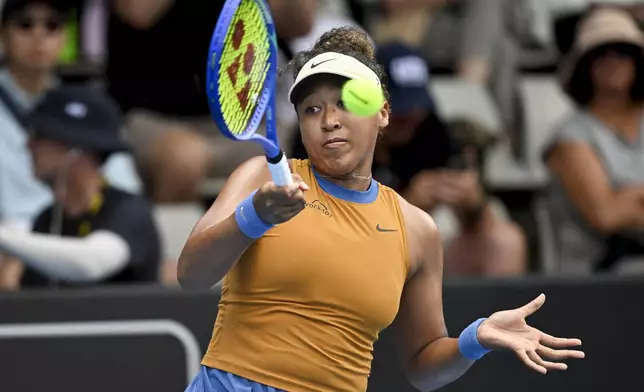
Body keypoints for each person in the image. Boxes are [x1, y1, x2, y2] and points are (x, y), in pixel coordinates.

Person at [177, 27, 584, 392]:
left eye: (346, 102)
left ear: (383, 112)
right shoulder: (259, 179)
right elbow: (192, 276)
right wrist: (255, 215)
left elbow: (423, 367)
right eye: (311, 109)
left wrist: (475, 339)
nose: (329, 120)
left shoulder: (416, 228)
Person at [107, 0, 317, 202]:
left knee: (315, 150)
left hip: (245, 118)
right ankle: (179, 237)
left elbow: (299, 23)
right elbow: (136, 11)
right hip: (155, 116)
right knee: (184, 159)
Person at [0, 85, 161, 289]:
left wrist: (4, 237)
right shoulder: (47, 219)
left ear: (78, 150)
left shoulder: (128, 211)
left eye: (41, 136)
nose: (29, 145)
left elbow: (92, 262)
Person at [543, 8, 644, 275]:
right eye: (600, 54)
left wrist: (628, 195)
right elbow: (606, 215)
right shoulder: (569, 134)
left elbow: (615, 206)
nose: (613, 61)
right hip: (599, 277)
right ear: (585, 65)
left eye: (622, 51)